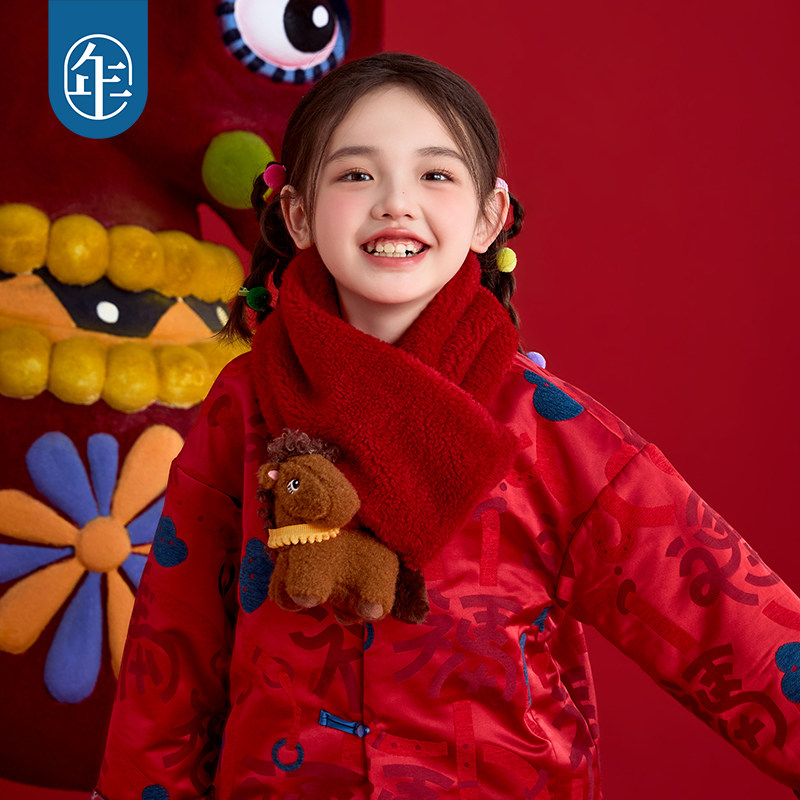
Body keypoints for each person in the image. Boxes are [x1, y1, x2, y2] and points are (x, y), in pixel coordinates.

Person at [93, 53, 800, 799]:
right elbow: (171, 656)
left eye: (435, 174)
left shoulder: (548, 427)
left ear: (489, 216)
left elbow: (724, 624)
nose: (395, 204)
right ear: (297, 215)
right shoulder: (245, 405)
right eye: (355, 174)